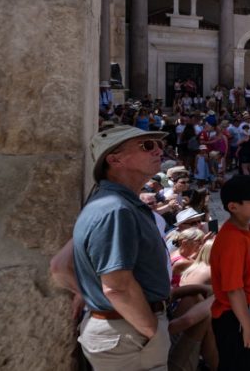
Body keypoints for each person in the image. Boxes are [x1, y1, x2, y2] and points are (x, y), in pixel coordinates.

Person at [71, 125, 172, 370]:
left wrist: (88, 292)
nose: (158, 150)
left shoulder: (112, 203)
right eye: (147, 145)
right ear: (114, 159)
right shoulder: (115, 209)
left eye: (159, 145)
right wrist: (151, 330)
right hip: (129, 334)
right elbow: (117, 287)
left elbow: (59, 267)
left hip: (124, 328)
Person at [210, 174, 250, 371]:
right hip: (235, 318)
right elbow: (233, 289)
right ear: (233, 207)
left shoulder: (244, 228)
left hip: (243, 311)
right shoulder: (232, 240)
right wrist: (247, 326)